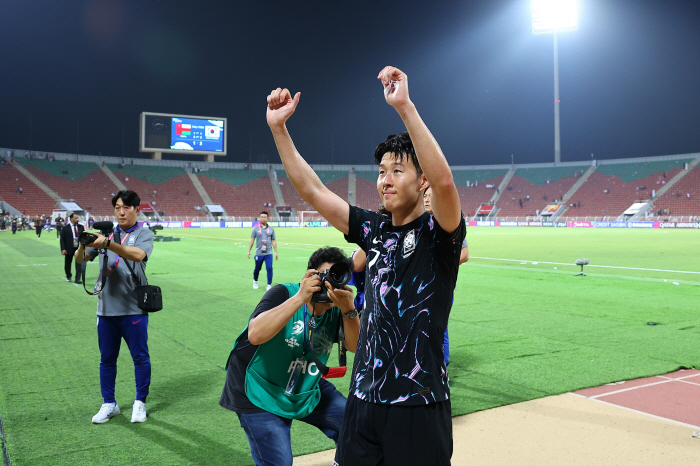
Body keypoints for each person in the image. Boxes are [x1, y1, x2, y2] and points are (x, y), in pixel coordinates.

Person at [266, 66, 464, 465]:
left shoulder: (440, 235)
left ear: (420, 180)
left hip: (419, 403)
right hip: (364, 398)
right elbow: (313, 189)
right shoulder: (371, 230)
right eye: (380, 172)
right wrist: (279, 130)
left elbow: (444, 183)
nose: (385, 180)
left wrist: (404, 106)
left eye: (397, 170)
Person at [220, 247, 360, 466]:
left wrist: (349, 310)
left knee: (358, 428)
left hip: (303, 386)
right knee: (279, 462)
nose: (331, 286)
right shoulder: (284, 293)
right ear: (310, 277)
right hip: (258, 390)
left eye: (337, 278)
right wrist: (300, 298)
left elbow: (354, 346)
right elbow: (255, 334)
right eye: (325, 277)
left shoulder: (339, 308)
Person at [75, 190, 154, 424]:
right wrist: (82, 245)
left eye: (126, 207)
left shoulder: (143, 233)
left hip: (133, 309)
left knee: (140, 358)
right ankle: (110, 403)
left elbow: (138, 255)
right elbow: (80, 260)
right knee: (107, 359)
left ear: (137, 209)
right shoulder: (104, 235)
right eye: (117, 207)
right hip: (106, 310)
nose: (121, 211)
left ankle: (140, 403)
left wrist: (107, 244)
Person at [424, 185, 468, 366]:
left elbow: (464, 254)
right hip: (424, 285)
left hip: (441, 286)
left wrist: (436, 263)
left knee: (440, 327)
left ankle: (442, 364)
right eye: (424, 196)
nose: (426, 199)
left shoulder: (449, 223)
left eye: (430, 196)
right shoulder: (423, 222)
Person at [247, 211, 278, 291]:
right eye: (262, 217)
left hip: (268, 253)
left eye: (265, 217)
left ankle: (269, 284)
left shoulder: (271, 229)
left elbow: (273, 241)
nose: (263, 218)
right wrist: (249, 250)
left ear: (267, 218)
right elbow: (252, 240)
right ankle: (255, 281)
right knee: (257, 268)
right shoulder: (256, 229)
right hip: (259, 253)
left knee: (269, 268)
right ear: (259, 218)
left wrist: (276, 252)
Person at [60, 213, 85, 283]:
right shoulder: (65, 228)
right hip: (69, 248)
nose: (77, 219)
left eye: (78, 218)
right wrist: (63, 249)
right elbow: (62, 240)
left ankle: (77, 278)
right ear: (71, 219)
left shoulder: (81, 227)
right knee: (68, 263)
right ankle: (68, 275)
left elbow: (83, 237)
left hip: (78, 248)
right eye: (76, 218)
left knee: (79, 263)